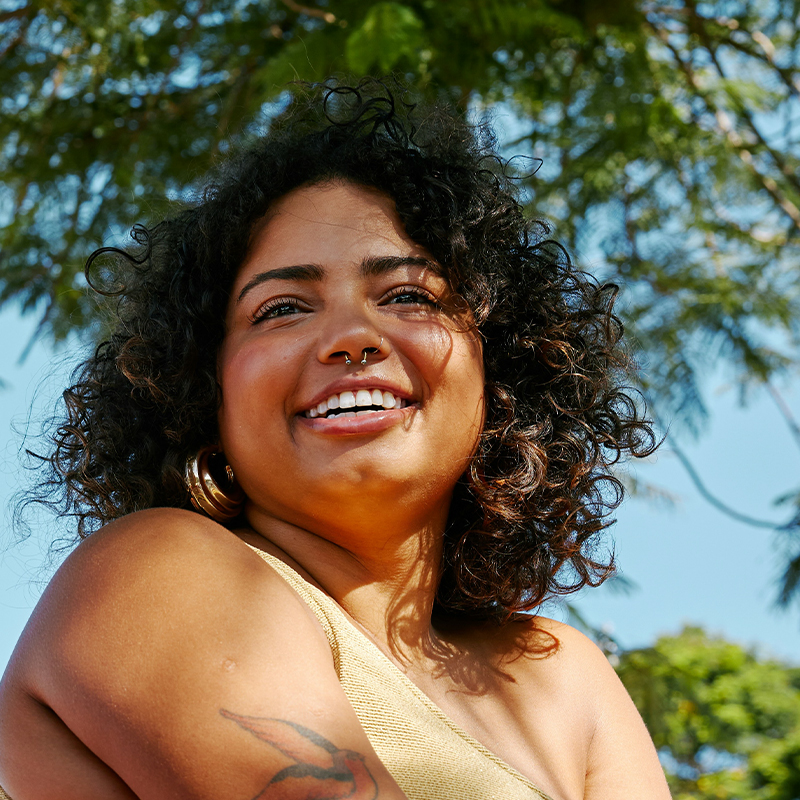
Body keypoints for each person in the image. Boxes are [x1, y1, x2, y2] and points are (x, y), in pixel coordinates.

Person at [0, 79, 671, 799]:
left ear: (499, 372)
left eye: (408, 295)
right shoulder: (152, 576)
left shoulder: (561, 674)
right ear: (202, 392)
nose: (352, 337)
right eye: (282, 308)